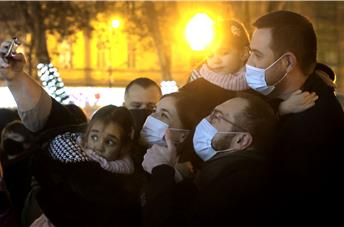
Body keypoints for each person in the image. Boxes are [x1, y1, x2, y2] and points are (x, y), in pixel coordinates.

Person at [244, 10, 344, 225]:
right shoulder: (293, 97)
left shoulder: (313, 128)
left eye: (257, 55)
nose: (248, 62)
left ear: (288, 63)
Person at [141, 93, 278, 226]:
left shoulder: (241, 186)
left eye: (217, 117)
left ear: (241, 140)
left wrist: (161, 170)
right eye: (211, 113)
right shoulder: (220, 174)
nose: (205, 120)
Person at [188, 18, 318, 117]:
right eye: (210, 54)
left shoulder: (255, 79)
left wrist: (318, 73)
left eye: (224, 53)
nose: (215, 60)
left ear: (243, 53)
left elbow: (260, 111)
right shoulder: (198, 80)